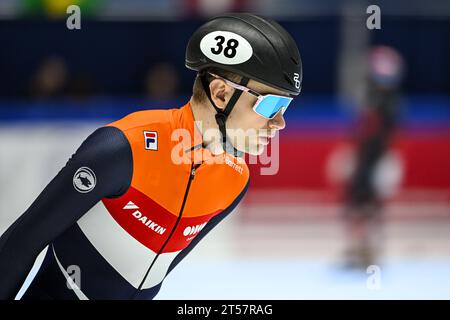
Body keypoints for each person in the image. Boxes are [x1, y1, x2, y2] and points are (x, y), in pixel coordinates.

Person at [0, 13, 302, 300]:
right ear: (221, 93)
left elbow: (153, 277)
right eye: (270, 105)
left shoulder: (235, 180)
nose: (279, 122)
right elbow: (20, 245)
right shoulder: (122, 148)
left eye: (285, 108)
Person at [343, 45, 404, 269]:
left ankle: (372, 252)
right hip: (365, 159)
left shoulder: (390, 103)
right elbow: (359, 131)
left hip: (377, 160)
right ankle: (358, 250)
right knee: (356, 204)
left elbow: (384, 135)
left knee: (372, 206)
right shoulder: (370, 97)